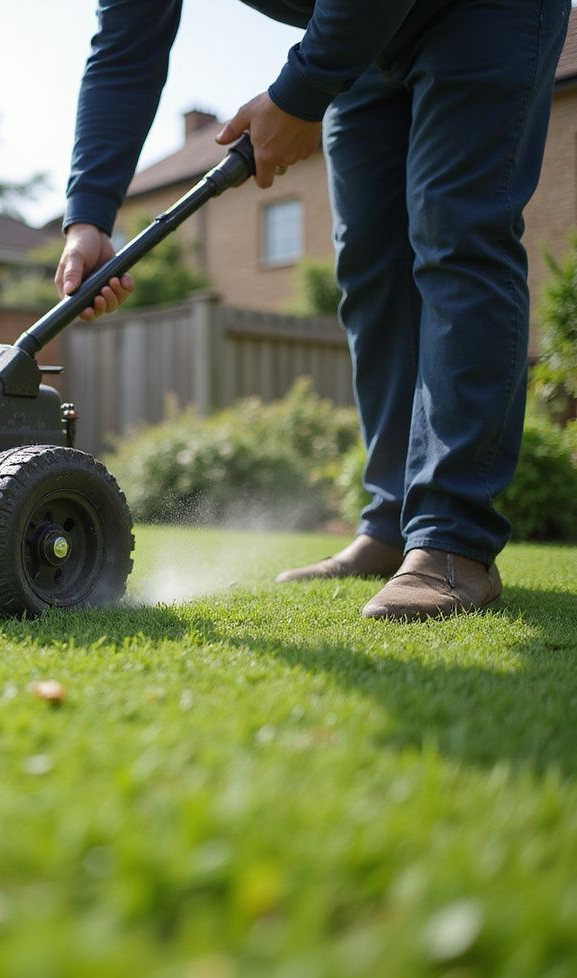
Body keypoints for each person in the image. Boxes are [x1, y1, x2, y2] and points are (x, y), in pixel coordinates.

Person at [56, 0, 571, 621]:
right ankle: (389, 524)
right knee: (369, 270)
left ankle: (452, 541)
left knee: (458, 234)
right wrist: (88, 216)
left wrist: (303, 89)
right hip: (363, 41)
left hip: (484, 14)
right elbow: (125, 50)